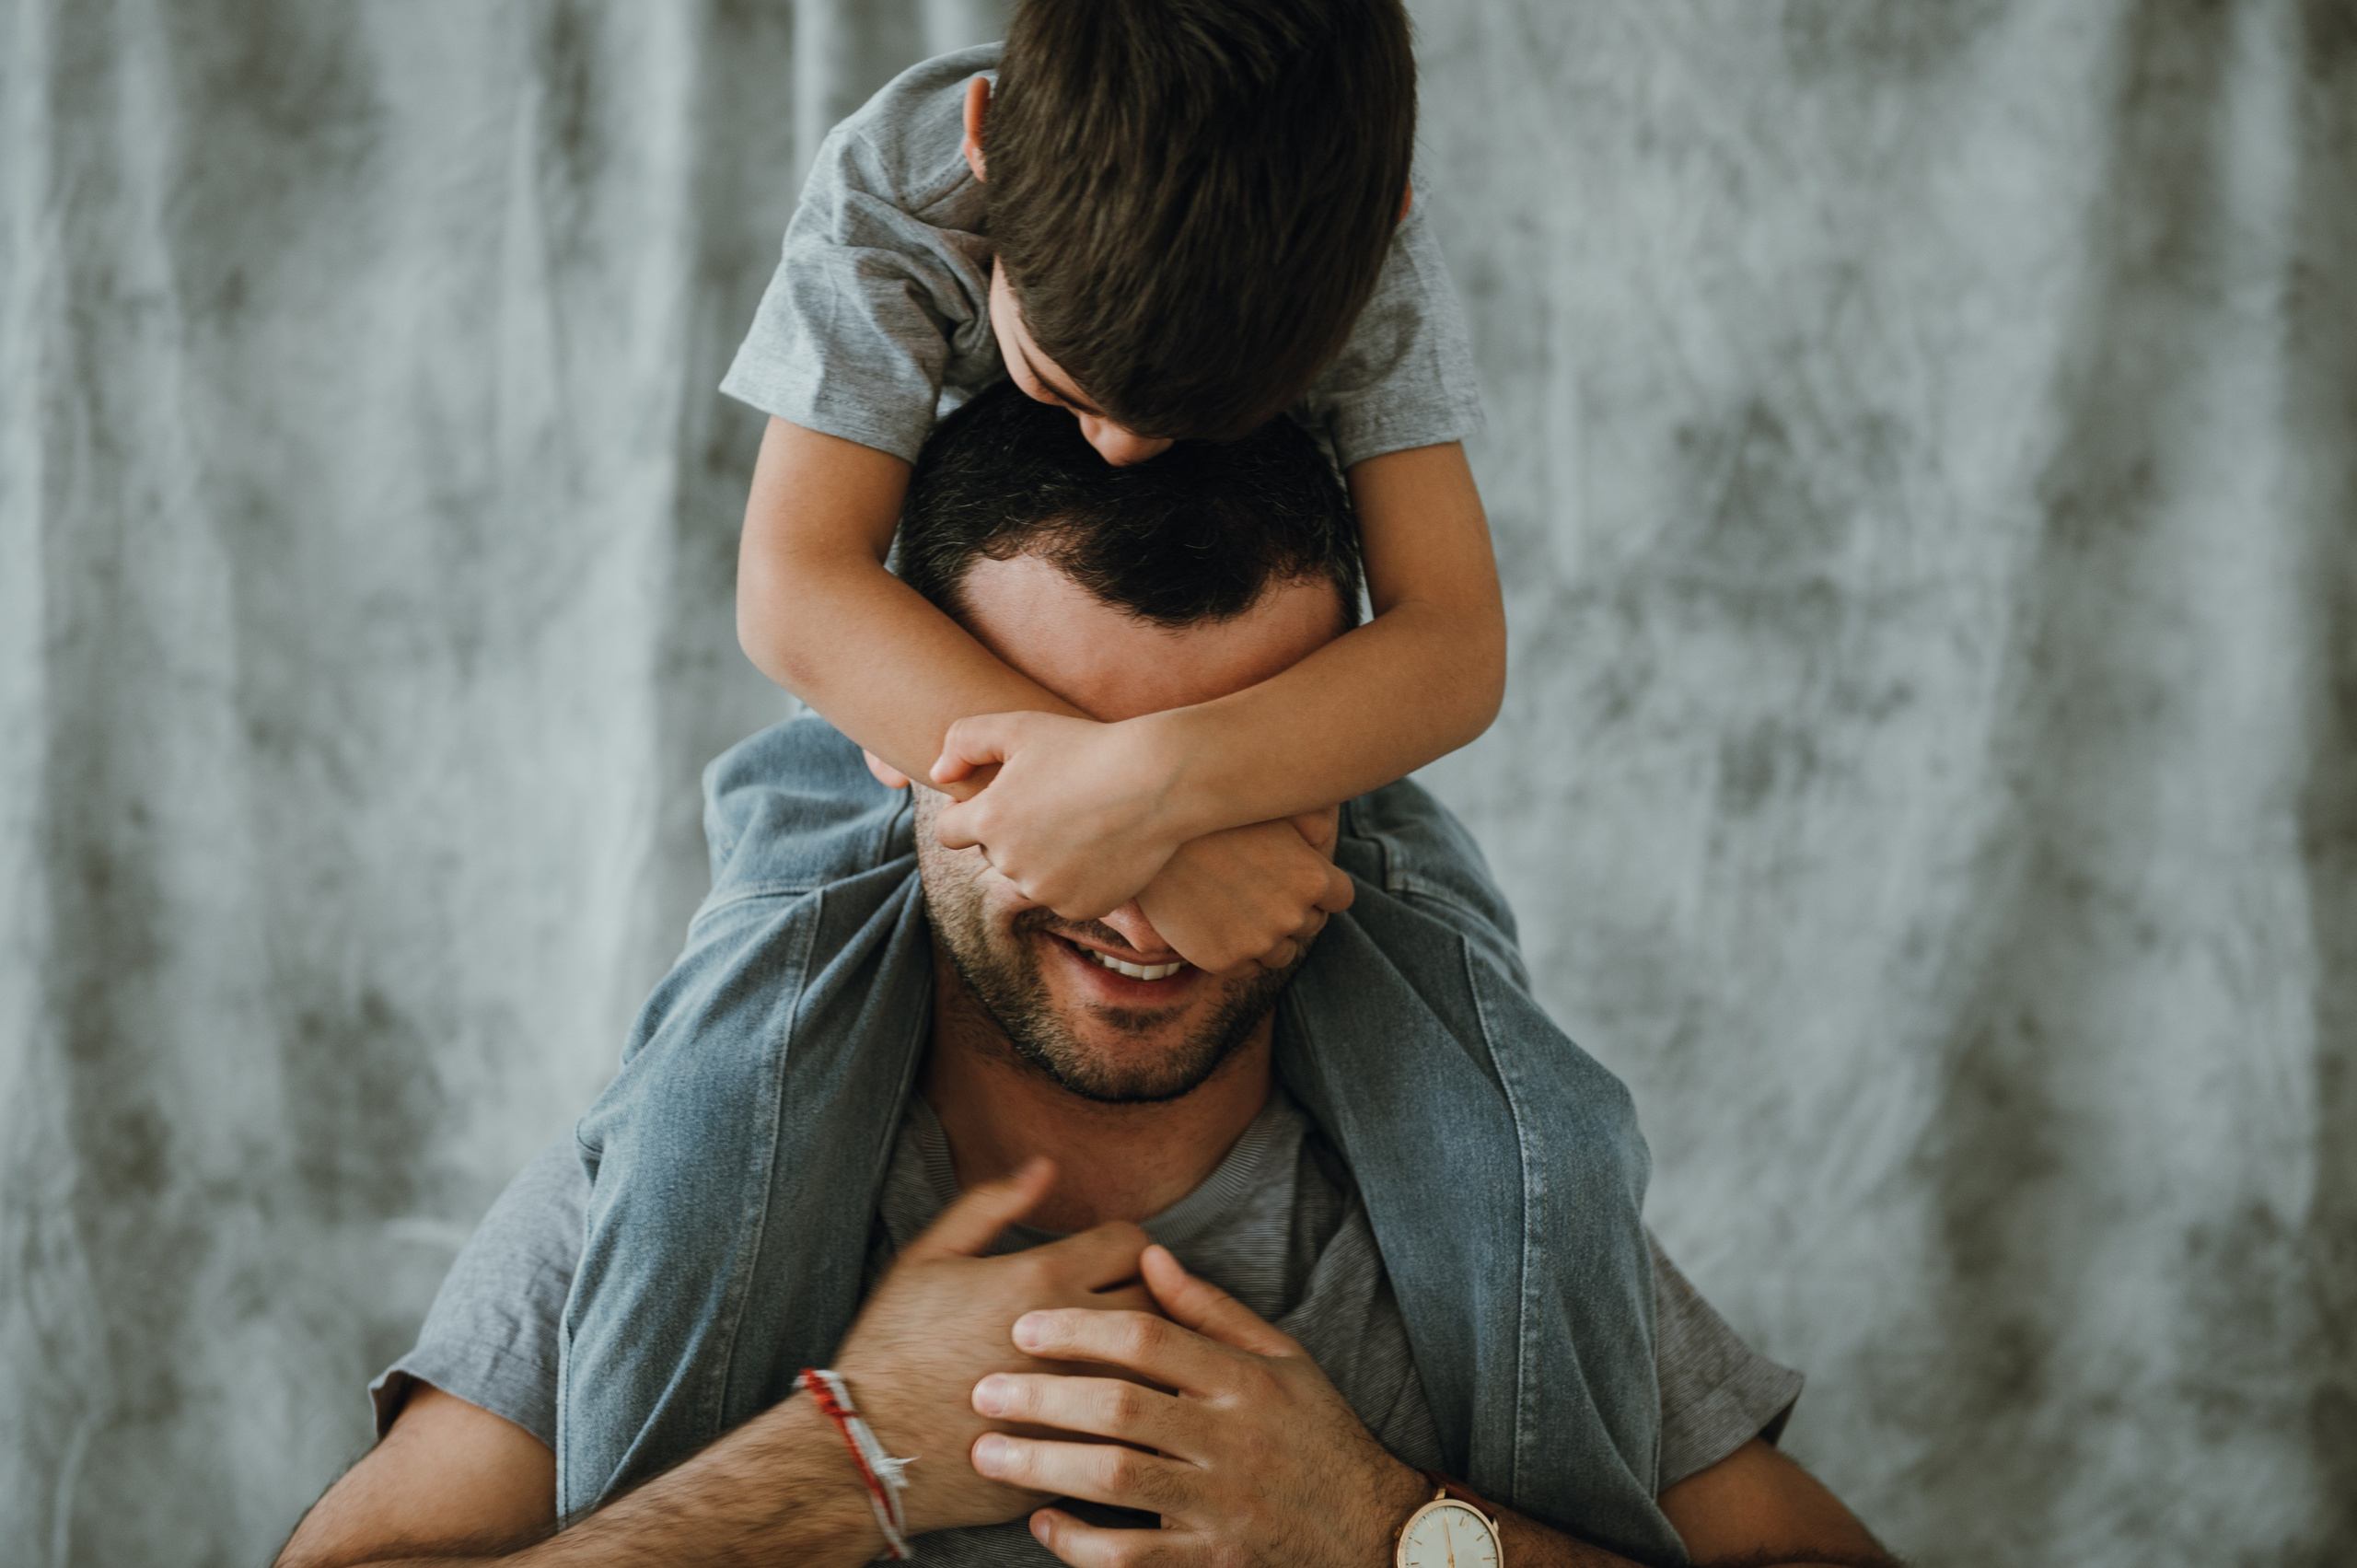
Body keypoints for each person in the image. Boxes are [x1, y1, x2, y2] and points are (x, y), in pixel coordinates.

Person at [276, 389, 1896, 1568]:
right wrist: (845, 1455)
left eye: (1237, 793)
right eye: (1055, 788)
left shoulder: (1493, 1194)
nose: (1147, 899)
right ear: (894, 734)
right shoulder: (694, 1165)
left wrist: (1389, 1529)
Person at [729, 0, 1506, 978]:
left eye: (1208, 414)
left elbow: (1453, 643)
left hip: (1272, 714)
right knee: (728, 1081)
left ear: (1390, 218)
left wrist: (1152, 789)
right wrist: (1159, 849)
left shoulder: (1353, 237)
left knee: (1485, 1069)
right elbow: (796, 593)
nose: (1122, 446)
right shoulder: (895, 182)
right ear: (984, 143)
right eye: (1061, 383)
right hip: (918, 682)